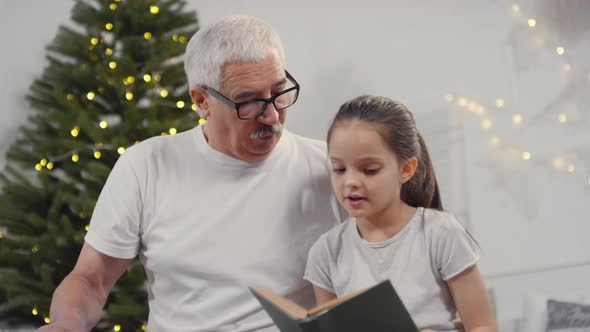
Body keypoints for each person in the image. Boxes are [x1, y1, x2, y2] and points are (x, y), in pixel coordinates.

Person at [39, 15, 344, 332]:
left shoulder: (332, 168)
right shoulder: (147, 165)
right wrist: (67, 325)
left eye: (279, 92)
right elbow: (91, 278)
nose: (271, 115)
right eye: (249, 101)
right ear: (202, 101)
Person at [304, 95, 497, 331]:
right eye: (339, 169)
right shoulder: (325, 253)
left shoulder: (440, 234)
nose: (350, 181)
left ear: (406, 169)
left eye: (369, 170)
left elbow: (483, 326)